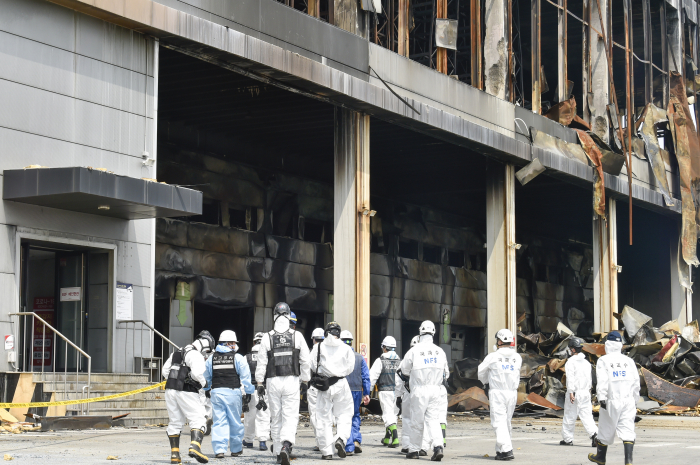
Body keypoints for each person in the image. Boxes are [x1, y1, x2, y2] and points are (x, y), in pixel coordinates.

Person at [254, 302, 311, 465]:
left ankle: (279, 452)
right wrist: (305, 380)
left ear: (274, 316)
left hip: (272, 381)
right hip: (291, 380)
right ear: (288, 316)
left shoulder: (267, 337)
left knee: (276, 417)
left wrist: (259, 382)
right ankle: (286, 445)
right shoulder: (297, 336)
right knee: (290, 416)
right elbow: (305, 361)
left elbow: (262, 362)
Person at [163, 330, 216, 464]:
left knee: (175, 422)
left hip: (170, 390)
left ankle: (175, 455)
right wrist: (207, 386)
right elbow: (199, 374)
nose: (206, 353)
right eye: (208, 350)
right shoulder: (195, 355)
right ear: (206, 345)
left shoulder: (176, 352)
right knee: (199, 419)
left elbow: (165, 371)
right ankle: (195, 447)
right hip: (187, 391)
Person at [399, 321, 449, 461]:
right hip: (436, 389)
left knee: (417, 420)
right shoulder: (440, 351)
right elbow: (446, 373)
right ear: (434, 332)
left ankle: (414, 450)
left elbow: (404, 370)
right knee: (433, 420)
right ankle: (438, 446)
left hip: (419, 390)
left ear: (420, 332)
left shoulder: (414, 351)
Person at [588, 331, 639, 465]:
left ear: (608, 344)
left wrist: (602, 397)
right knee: (628, 428)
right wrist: (635, 400)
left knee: (605, 428)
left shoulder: (604, 360)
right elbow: (636, 382)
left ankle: (601, 457)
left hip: (611, 400)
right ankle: (628, 461)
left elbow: (603, 381)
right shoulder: (629, 361)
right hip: (628, 400)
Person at [203, 330, 254, 459]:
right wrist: (248, 392)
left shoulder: (211, 358)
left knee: (219, 422)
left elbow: (206, 377)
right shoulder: (238, 358)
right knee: (235, 422)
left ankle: (219, 450)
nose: (235, 345)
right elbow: (246, 377)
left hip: (217, 393)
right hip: (232, 393)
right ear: (230, 343)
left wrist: (207, 389)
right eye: (234, 343)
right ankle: (236, 449)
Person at [309, 322, 356, 460]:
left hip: (324, 386)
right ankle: (341, 438)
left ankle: (327, 452)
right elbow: (350, 368)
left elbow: (311, 365)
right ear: (339, 333)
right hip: (341, 384)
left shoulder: (318, 347)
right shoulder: (346, 348)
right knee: (345, 414)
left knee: (323, 418)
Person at [477, 329, 522, 461]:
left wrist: (486, 382)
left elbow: (481, 373)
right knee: (506, 422)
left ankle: (507, 449)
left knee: (498, 422)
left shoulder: (493, 357)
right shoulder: (517, 358)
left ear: (500, 341)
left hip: (497, 392)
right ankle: (501, 450)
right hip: (512, 393)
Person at [560, 337, 598, 447]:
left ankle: (567, 439)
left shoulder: (570, 362)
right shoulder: (586, 363)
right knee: (587, 415)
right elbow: (589, 379)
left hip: (575, 392)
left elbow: (570, 378)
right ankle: (595, 434)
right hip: (585, 392)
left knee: (570, 415)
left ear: (572, 349)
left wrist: (571, 391)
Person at [339, 330, 371, 455]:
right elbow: (365, 376)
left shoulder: (339, 357)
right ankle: (356, 439)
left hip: (343, 390)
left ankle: (349, 446)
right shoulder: (359, 357)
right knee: (355, 415)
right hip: (357, 390)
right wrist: (367, 393)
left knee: (344, 416)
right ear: (351, 342)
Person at [369, 336, 401, 448]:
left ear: (384, 347)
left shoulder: (380, 361)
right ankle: (387, 438)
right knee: (393, 414)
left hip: (384, 391)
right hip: (396, 392)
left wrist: (368, 392)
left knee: (387, 415)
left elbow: (372, 377)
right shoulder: (399, 361)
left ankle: (395, 439)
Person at [243, 332, 271, 451]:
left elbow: (242, 377)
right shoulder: (268, 356)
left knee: (250, 415)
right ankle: (262, 441)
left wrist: (244, 393)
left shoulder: (246, 357)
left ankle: (248, 440)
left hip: (250, 390)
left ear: (254, 342)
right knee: (263, 415)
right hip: (264, 390)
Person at [397, 336, 419, 454]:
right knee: (421, 419)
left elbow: (399, 379)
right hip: (421, 393)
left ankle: (406, 445)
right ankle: (421, 446)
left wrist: (398, 396)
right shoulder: (426, 356)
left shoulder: (406, 358)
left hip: (407, 392)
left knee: (406, 419)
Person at [308, 328, 325, 452]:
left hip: (314, 386)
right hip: (327, 386)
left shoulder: (313, 350)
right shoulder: (329, 349)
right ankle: (327, 441)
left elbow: (307, 368)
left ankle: (320, 442)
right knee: (326, 414)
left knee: (314, 414)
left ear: (313, 339)